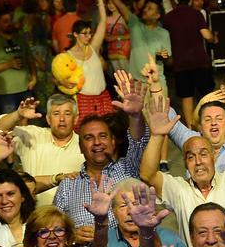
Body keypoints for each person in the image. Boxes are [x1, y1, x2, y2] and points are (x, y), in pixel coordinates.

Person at [140, 85, 225, 247]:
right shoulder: (179, 190)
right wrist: (156, 136)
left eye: (204, 154)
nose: (198, 161)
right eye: (191, 157)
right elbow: (147, 174)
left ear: (214, 157)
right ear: (184, 163)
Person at [52, 89, 151, 226]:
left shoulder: (129, 168)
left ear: (113, 142)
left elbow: (138, 142)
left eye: (102, 136)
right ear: (80, 147)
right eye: (88, 138)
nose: (97, 142)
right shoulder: (67, 186)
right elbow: (56, 228)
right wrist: (74, 235)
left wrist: (135, 116)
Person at [0, 95, 88, 206]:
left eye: (67, 114)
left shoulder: (85, 145)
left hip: (70, 217)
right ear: (48, 119)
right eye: (56, 114)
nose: (62, 119)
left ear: (75, 118)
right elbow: (0, 129)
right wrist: (18, 115)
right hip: (34, 214)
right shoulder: (33, 136)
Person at [99, 0, 172, 90]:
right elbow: (118, 3)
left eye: (149, 8)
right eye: (145, 7)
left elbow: (169, 62)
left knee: (160, 109)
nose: (145, 9)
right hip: (137, 83)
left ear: (157, 15)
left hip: (157, 82)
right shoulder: (135, 24)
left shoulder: (163, 33)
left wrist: (164, 56)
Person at [163, 0, 218, 126]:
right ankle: (209, 122)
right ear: (190, 0)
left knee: (186, 97)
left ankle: (189, 127)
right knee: (206, 95)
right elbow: (206, 35)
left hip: (180, 63)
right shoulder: (196, 14)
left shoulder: (168, 17)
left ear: (176, 0)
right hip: (199, 61)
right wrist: (213, 38)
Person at [0, 10, 35, 118]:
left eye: (11, 20)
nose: (9, 23)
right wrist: (8, 64)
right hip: (6, 92)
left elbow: (30, 59)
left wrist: (34, 77)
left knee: (26, 119)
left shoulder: (20, 39)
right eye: (5, 21)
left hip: (25, 87)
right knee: (9, 121)